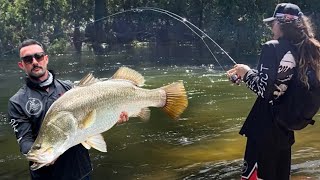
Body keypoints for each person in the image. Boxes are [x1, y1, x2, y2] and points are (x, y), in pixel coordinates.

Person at [7, 39, 129, 180]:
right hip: (47, 176)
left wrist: (113, 117)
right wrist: (41, 155)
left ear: (46, 59)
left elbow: (92, 123)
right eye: (28, 59)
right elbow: (24, 140)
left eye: (38, 56)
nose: (35, 62)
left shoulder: (71, 88)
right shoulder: (17, 102)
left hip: (81, 171)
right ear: (21, 65)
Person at [227, 3, 320, 180]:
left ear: (281, 24)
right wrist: (248, 74)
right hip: (285, 128)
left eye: (272, 24)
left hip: (264, 129)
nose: (271, 28)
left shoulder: (272, 47)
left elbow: (264, 91)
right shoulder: (306, 49)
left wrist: (246, 73)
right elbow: (282, 82)